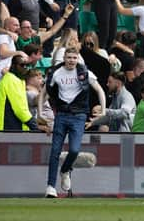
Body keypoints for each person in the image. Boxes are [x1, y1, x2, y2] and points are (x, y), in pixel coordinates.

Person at [45, 48, 107, 198]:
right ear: (64, 58)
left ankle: (65, 170)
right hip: (62, 114)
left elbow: (99, 90)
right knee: (55, 151)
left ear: (77, 58)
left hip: (79, 115)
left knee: (74, 150)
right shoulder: (57, 73)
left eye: (74, 57)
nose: (72, 60)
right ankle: (50, 186)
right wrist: (41, 112)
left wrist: (103, 110)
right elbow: (44, 92)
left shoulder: (84, 72)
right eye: (69, 57)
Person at [0, 55, 42, 131]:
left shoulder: (18, 80)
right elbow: (20, 110)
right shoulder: (11, 80)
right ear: (13, 66)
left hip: (12, 128)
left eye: (27, 65)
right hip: (7, 129)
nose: (25, 67)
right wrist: (36, 127)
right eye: (22, 65)